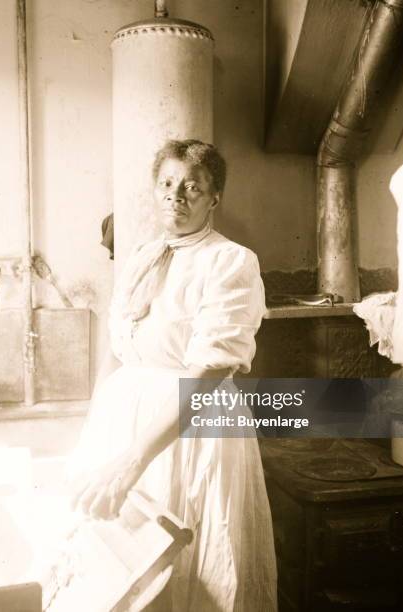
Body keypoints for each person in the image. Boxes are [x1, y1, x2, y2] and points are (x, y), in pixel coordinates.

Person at [67, 140, 278, 611]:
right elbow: (118, 349)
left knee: (196, 558)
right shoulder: (141, 256)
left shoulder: (230, 262)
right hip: (125, 417)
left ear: (213, 198)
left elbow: (209, 373)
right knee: (122, 556)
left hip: (191, 423)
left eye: (192, 186)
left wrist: (134, 460)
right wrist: (94, 425)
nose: (175, 196)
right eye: (167, 183)